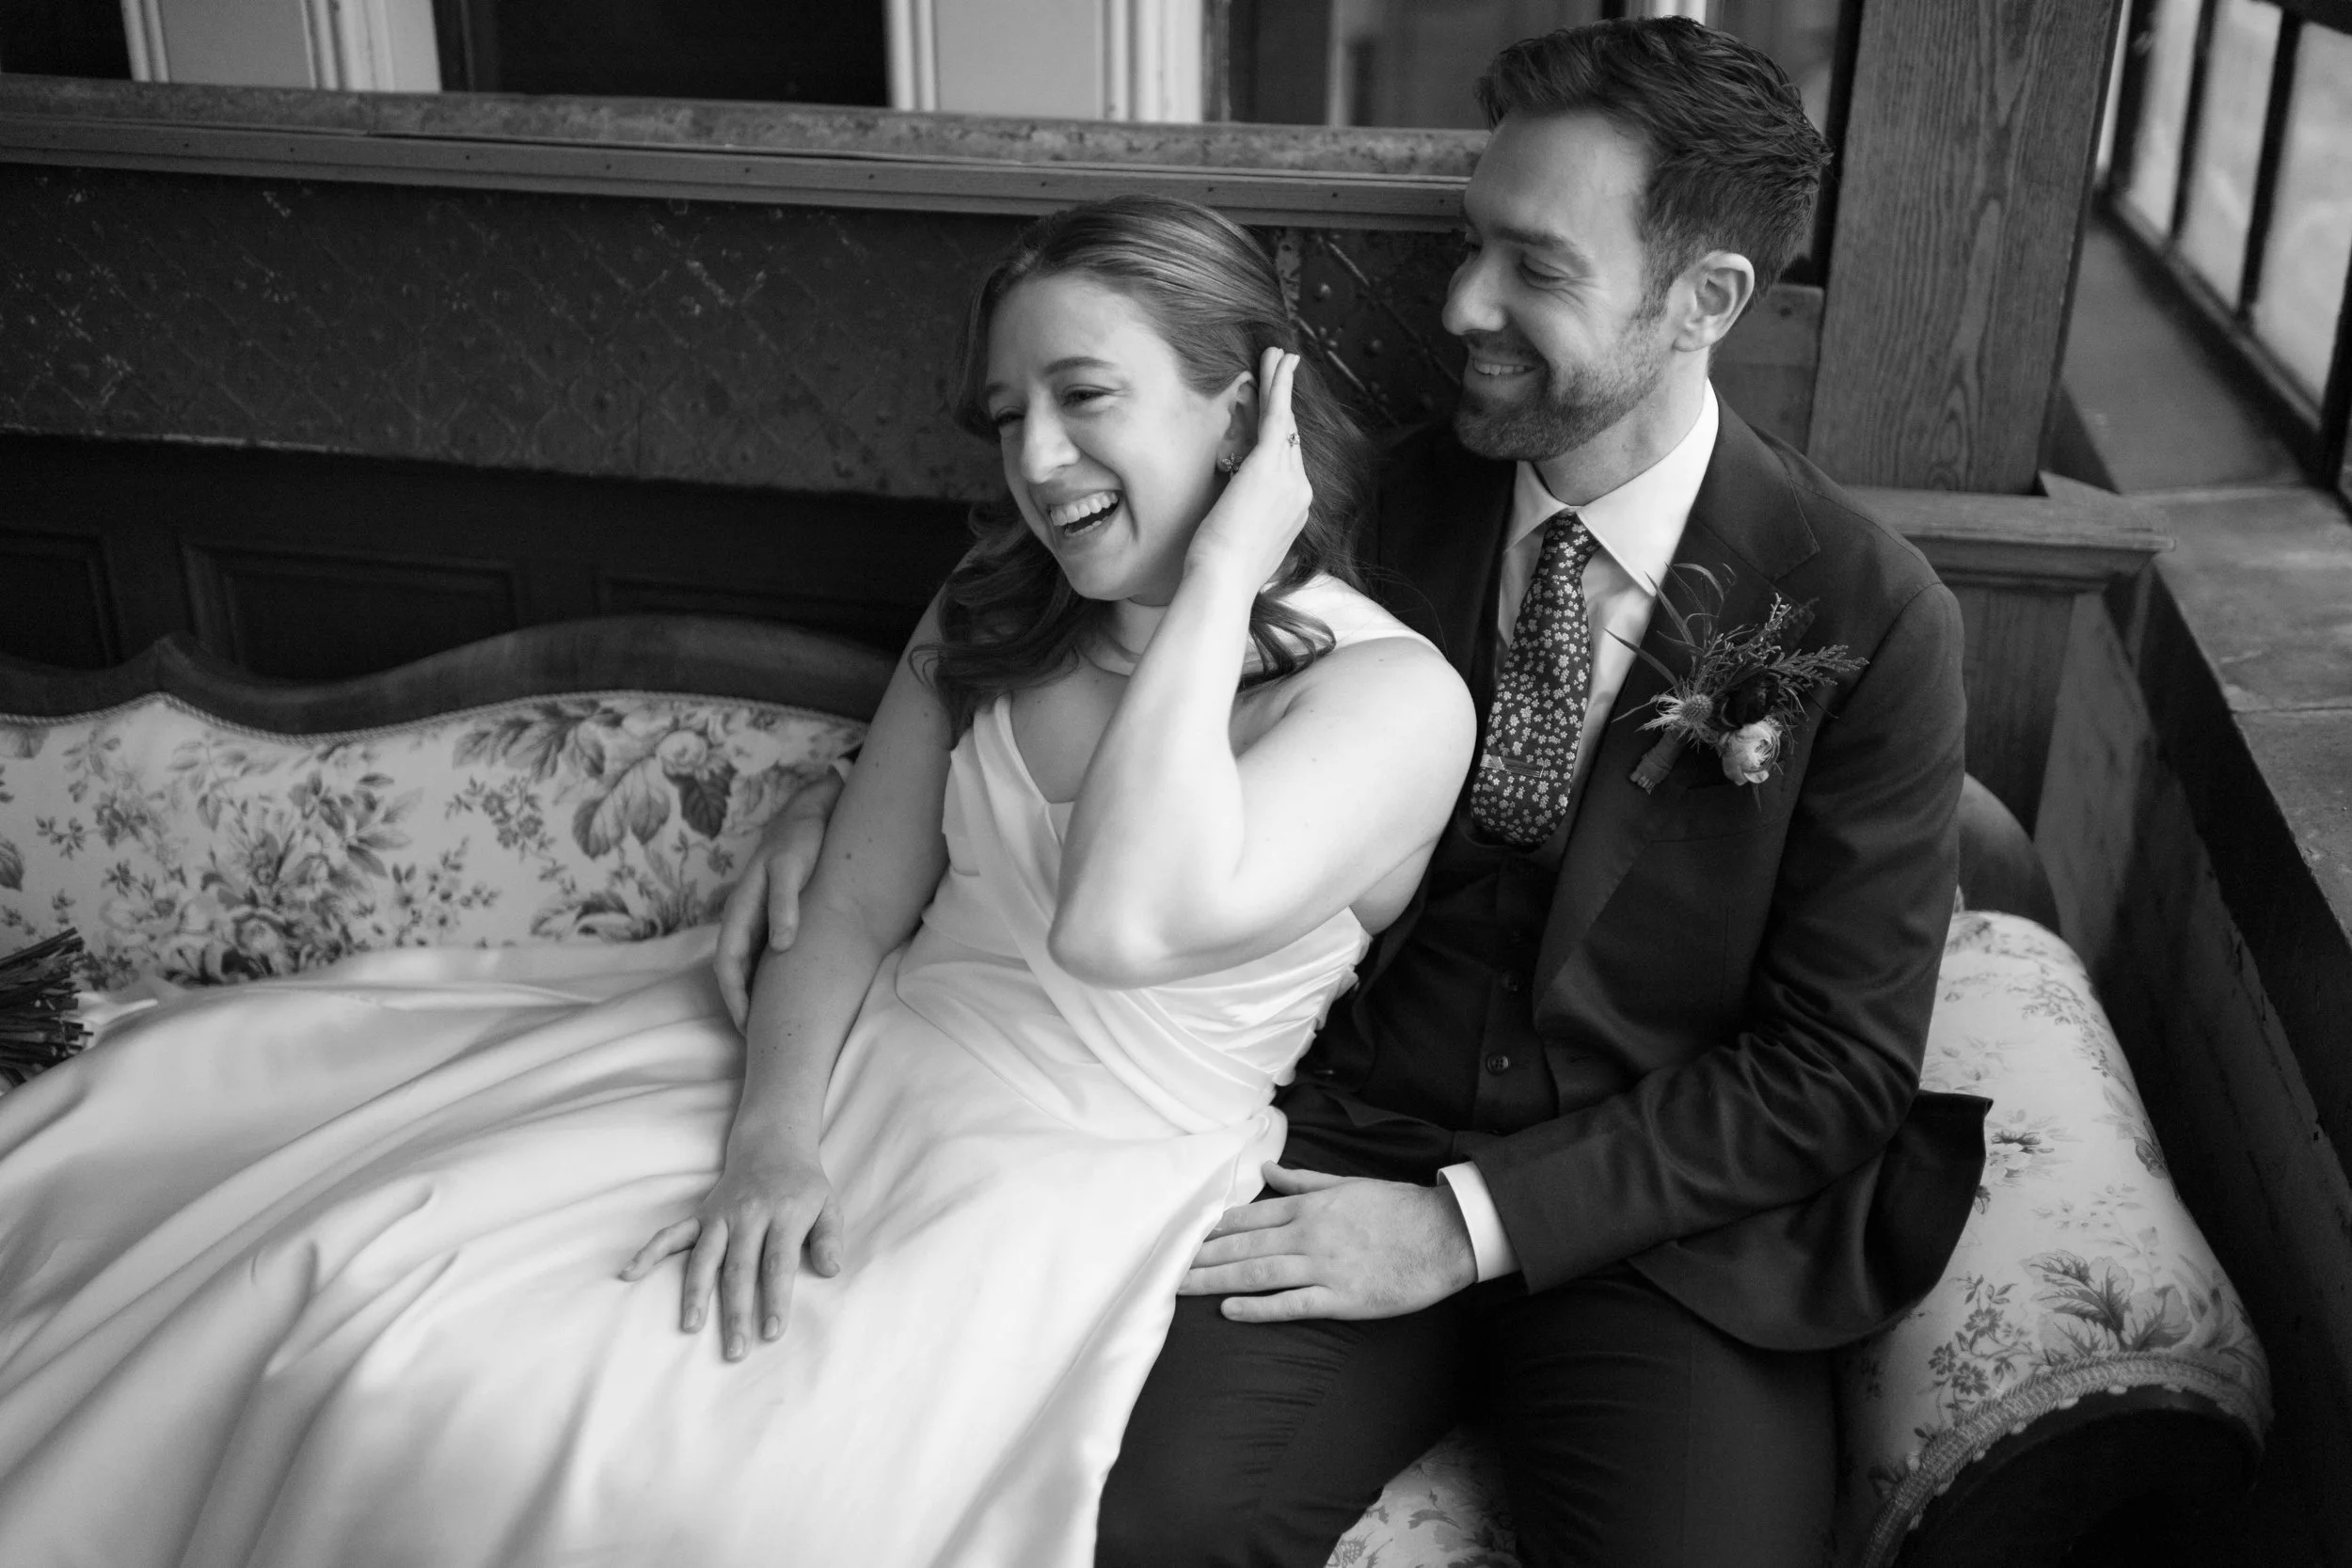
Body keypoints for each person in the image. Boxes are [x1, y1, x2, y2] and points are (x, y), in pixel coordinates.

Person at [0, 197, 1473, 1567]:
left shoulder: (1393, 700)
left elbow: (1117, 918)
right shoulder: (992, 609)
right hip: (834, 1062)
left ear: (1247, 404)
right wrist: (771, 1142)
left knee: (723, 1490)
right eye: (1008, 416)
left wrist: (1223, 571)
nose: (1033, 463)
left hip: (1072, 1178)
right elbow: (845, 909)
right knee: (364, 1296)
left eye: (1085, 398)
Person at [719, 21, 1988, 1568]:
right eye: (1469, 245)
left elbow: (1834, 1066)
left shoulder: (1868, 612)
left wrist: (1465, 1223)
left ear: (1705, 298)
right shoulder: (1358, 495)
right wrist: (849, 804)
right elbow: (1100, 652)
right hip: (1325, 1145)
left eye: (1535, 265)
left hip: (1661, 1239)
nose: (1462, 307)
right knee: (1145, 1530)